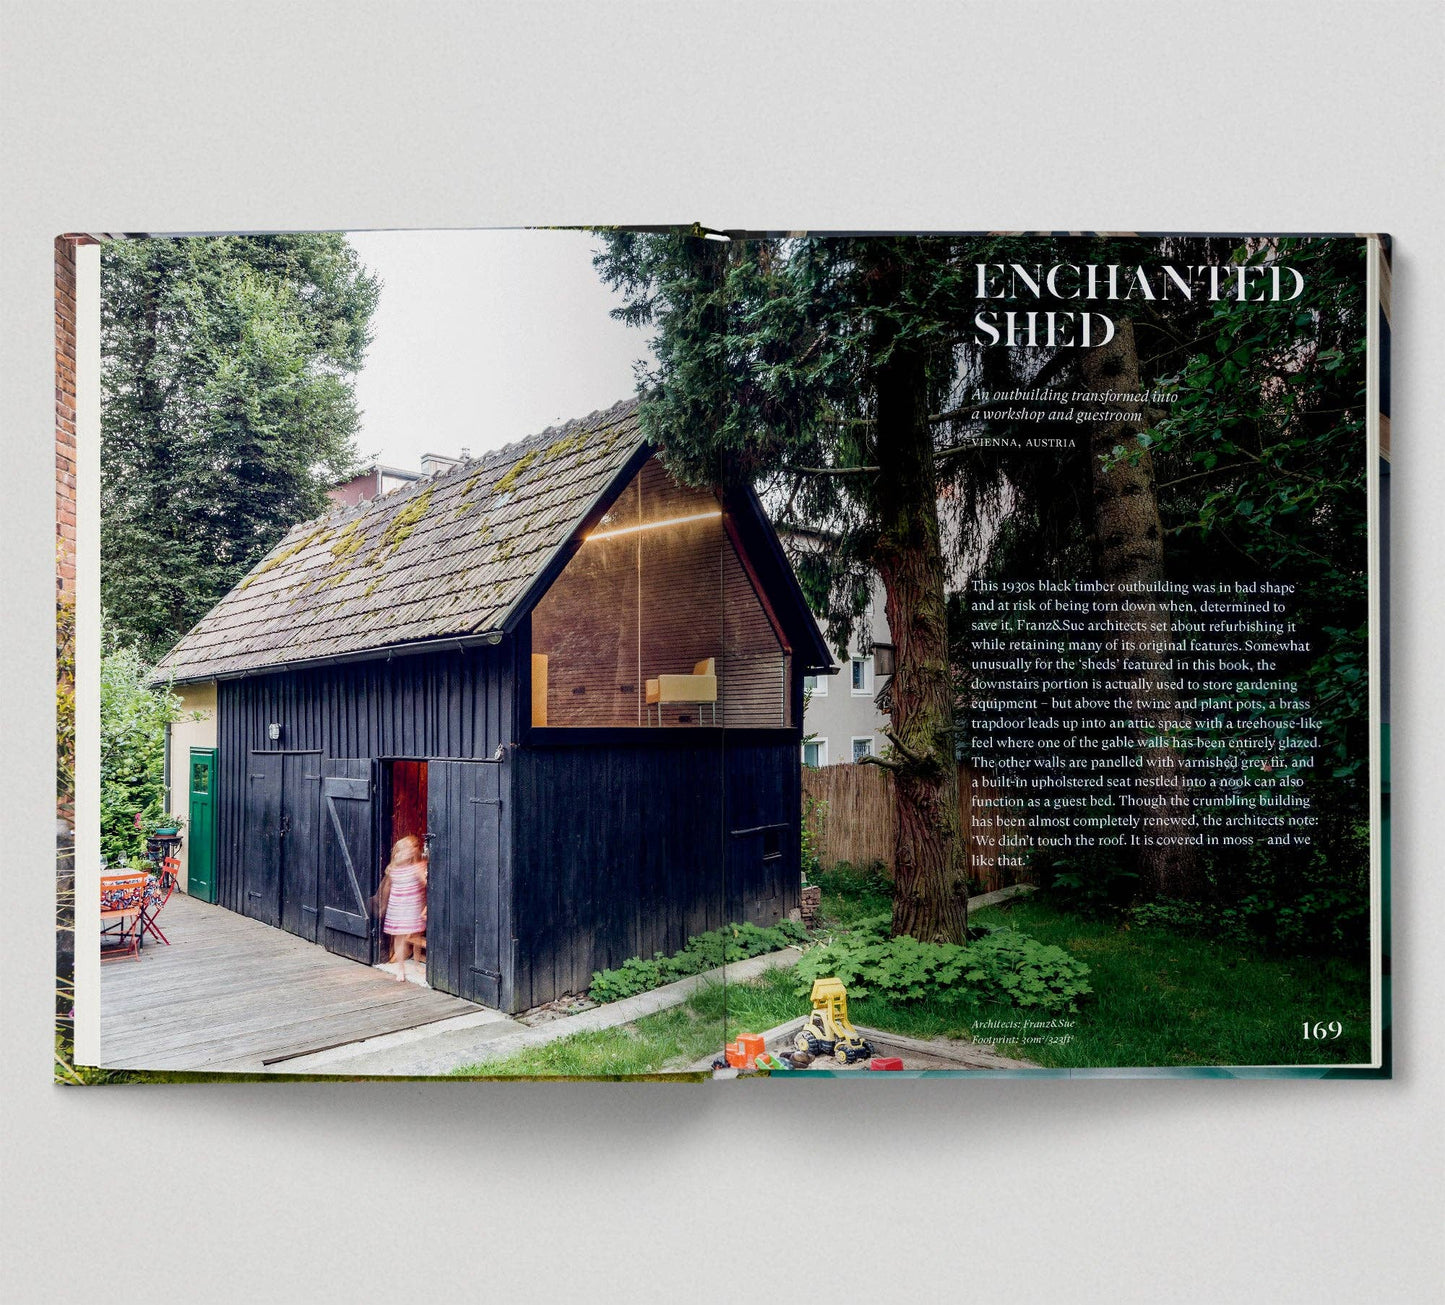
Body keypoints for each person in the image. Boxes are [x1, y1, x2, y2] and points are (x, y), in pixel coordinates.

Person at [376, 834, 428, 982]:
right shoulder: (392, 869)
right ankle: (401, 968)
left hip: (413, 907)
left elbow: (425, 883)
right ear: (397, 853)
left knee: (417, 934)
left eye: (410, 849)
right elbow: (386, 887)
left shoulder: (417, 867)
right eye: (403, 851)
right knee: (400, 937)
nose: (406, 853)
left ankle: (417, 963)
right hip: (398, 908)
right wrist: (383, 904)